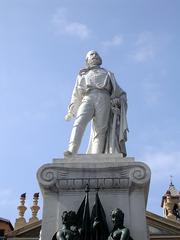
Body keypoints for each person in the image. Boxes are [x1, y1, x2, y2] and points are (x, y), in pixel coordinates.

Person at [64, 50, 128, 156]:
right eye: (91, 54)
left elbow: (120, 93)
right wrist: (71, 110)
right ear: (87, 60)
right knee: (79, 122)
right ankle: (71, 150)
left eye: (96, 54)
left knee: (101, 128)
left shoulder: (108, 74)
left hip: (104, 98)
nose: (94, 56)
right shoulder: (82, 74)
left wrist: (119, 100)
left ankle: (96, 154)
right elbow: (76, 94)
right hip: (88, 97)